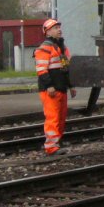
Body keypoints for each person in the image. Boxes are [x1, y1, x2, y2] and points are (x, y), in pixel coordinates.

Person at [34, 19, 76, 155]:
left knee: (60, 118)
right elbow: (41, 70)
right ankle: (51, 147)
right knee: (53, 118)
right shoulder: (45, 48)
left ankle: (55, 143)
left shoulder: (62, 47)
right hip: (51, 90)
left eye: (59, 27)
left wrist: (71, 86)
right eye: (55, 28)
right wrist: (49, 86)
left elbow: (66, 68)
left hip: (61, 88)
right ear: (48, 32)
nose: (59, 30)